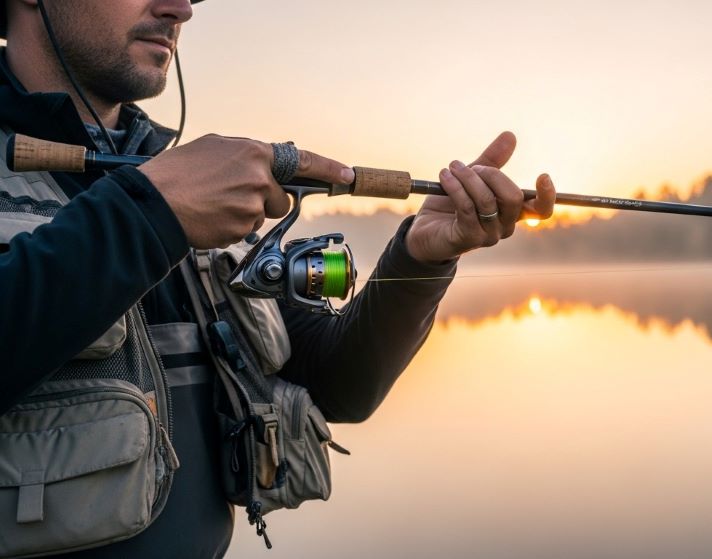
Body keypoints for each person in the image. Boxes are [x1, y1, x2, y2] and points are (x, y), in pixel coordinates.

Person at [0, 0, 556, 557]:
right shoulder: (169, 195)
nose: (181, 9)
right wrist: (149, 214)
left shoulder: (181, 182)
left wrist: (421, 258)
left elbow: (340, 387)